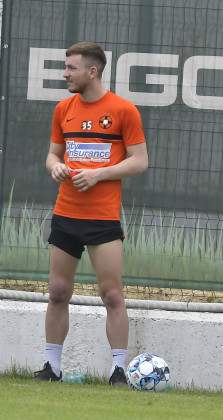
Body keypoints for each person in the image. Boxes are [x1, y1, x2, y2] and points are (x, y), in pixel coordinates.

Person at [33, 42, 148, 386]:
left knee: (112, 295)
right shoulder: (63, 109)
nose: (65, 74)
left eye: (70, 68)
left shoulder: (124, 110)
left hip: (102, 220)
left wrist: (99, 173)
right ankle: (52, 367)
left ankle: (118, 371)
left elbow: (140, 161)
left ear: (92, 71)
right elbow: (52, 155)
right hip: (65, 214)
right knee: (57, 292)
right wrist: (56, 167)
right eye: (65, 67)